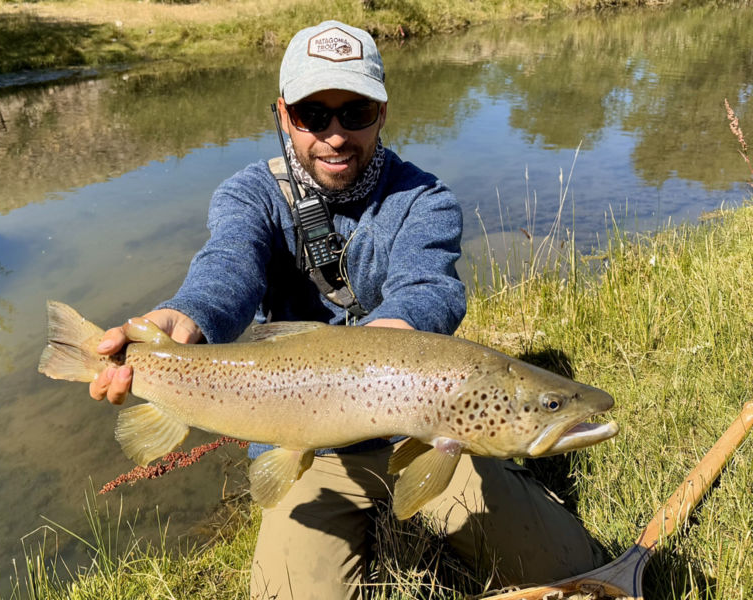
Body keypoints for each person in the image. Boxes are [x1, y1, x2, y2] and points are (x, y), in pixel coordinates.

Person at [89, 20, 603, 599]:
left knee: (573, 572)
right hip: (304, 448)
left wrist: (386, 341)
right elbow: (228, 265)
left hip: (424, 436)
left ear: (382, 113)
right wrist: (185, 317)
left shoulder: (423, 200)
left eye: (355, 113)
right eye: (313, 115)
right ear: (283, 114)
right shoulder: (250, 196)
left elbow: (429, 287)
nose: (335, 136)